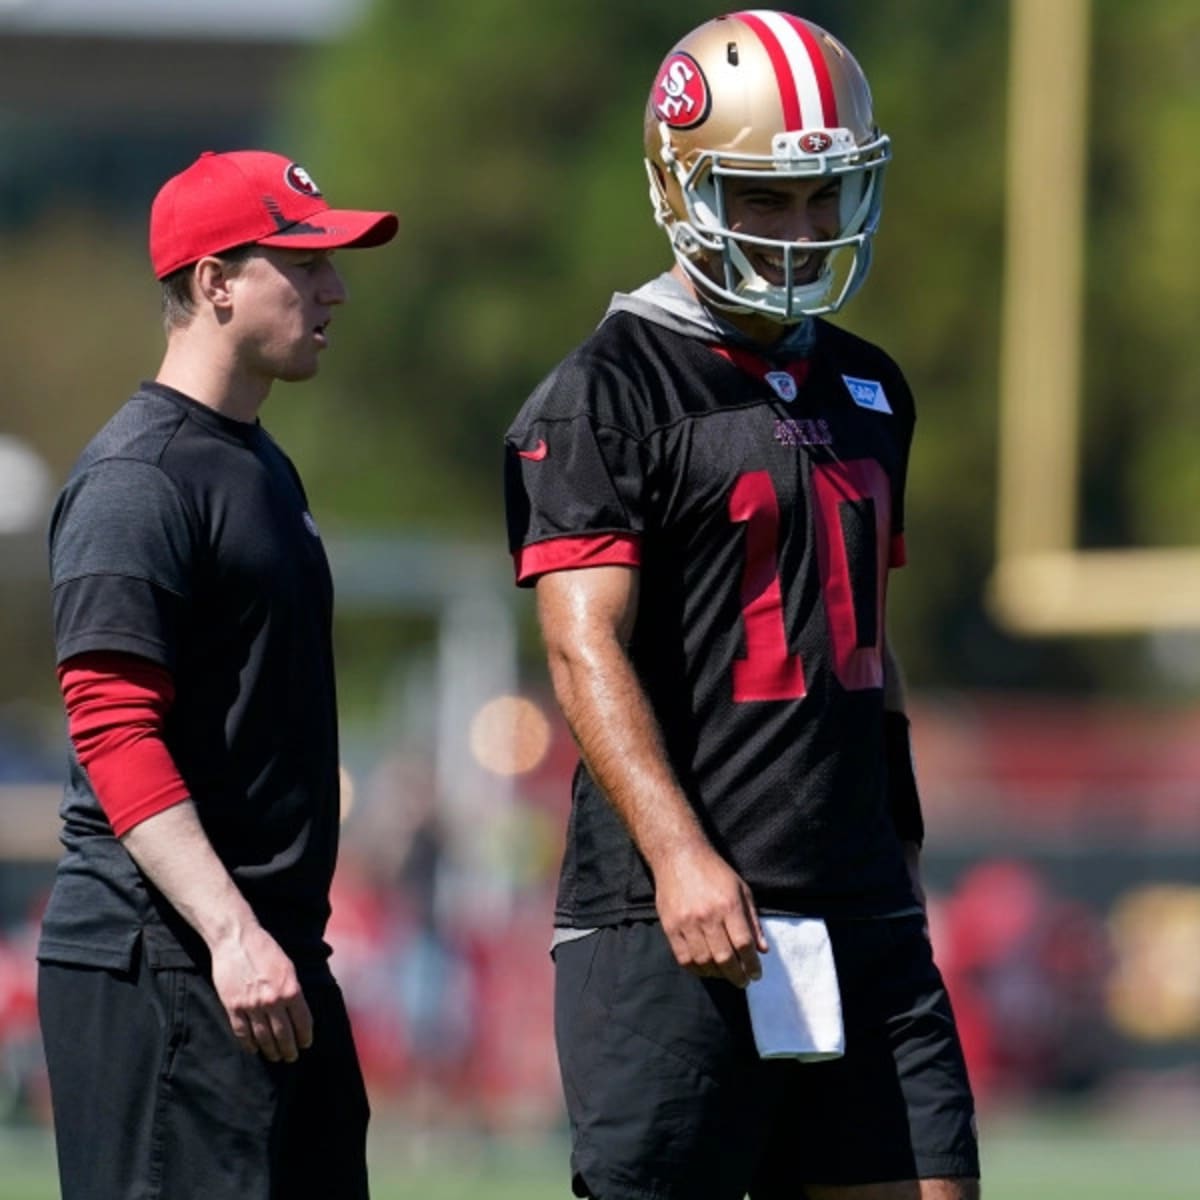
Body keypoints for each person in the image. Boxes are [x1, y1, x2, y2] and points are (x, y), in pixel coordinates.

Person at [504, 12, 980, 1200]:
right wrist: (681, 858)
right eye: (768, 198)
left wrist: (903, 834)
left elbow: (870, 637)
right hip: (677, 920)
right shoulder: (607, 387)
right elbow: (580, 645)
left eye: (826, 194)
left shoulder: (871, 383)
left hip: (862, 906)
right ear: (682, 184)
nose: (806, 231)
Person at [37, 149, 397, 1199]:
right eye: (305, 263)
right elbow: (112, 729)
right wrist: (232, 932)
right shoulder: (136, 479)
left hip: (265, 958)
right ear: (214, 283)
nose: (335, 289)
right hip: (168, 961)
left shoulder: (256, 463)